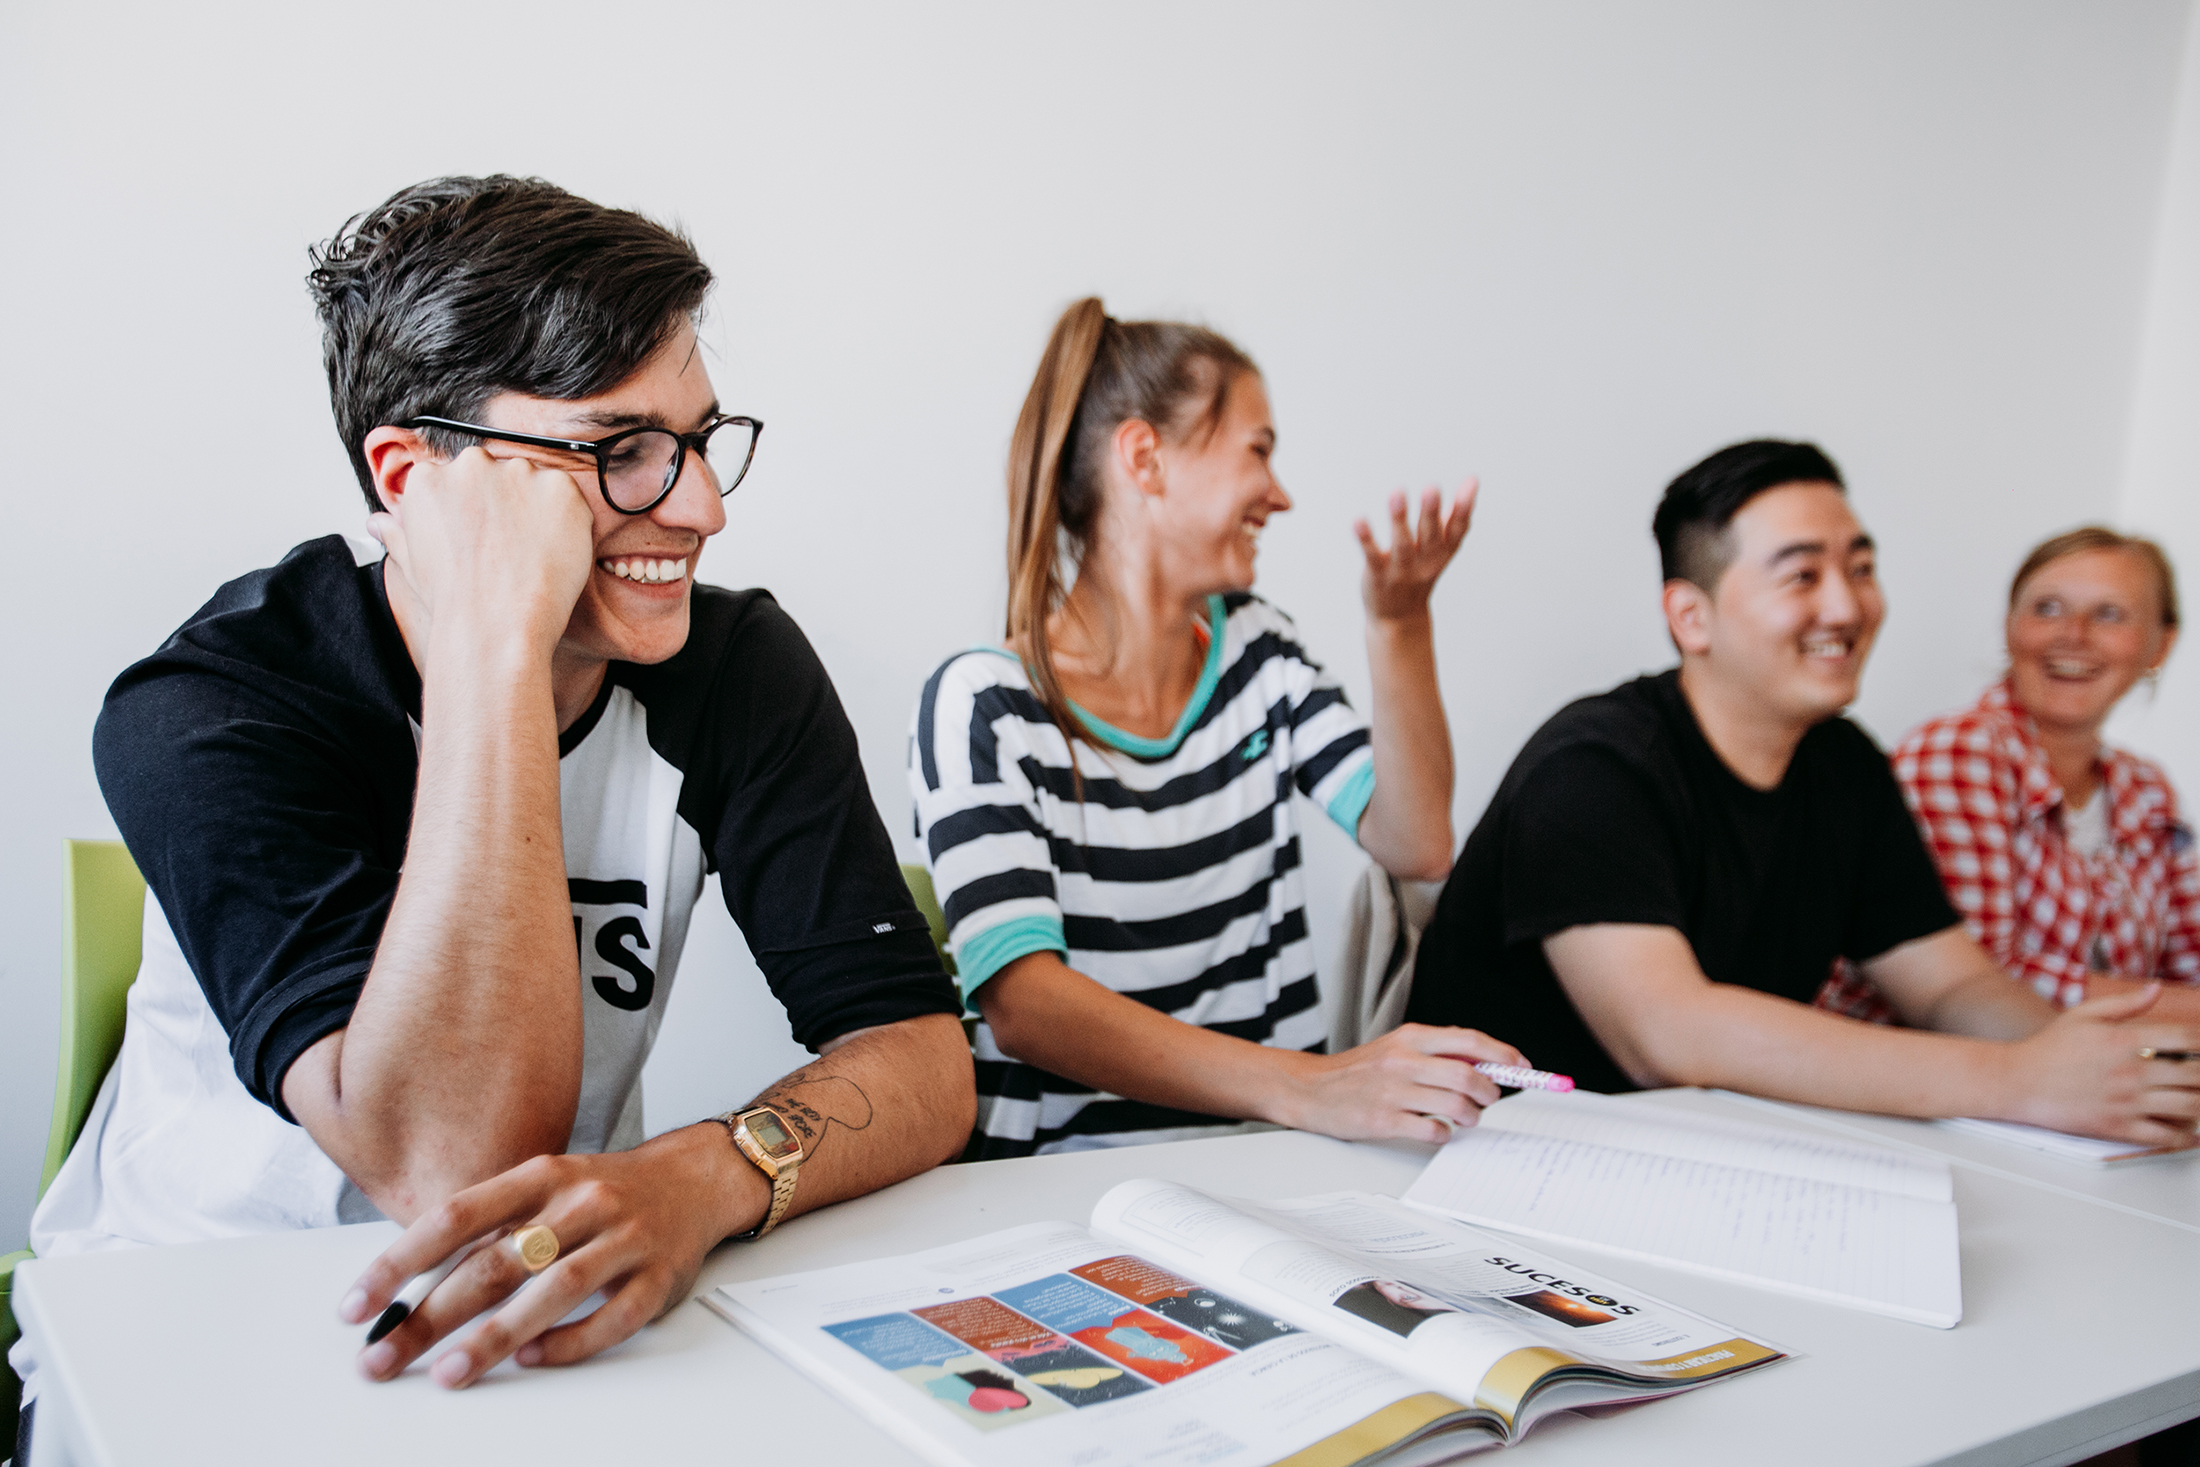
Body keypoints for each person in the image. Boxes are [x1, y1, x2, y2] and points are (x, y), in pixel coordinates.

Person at [9, 175, 972, 1436]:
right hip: (185, 1336)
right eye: (617, 453)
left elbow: (921, 1060)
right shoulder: (212, 706)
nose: (701, 508)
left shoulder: (731, 673)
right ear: (412, 479)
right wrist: (495, 648)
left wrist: (708, 1170)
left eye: (696, 440)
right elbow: (449, 1163)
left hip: (530, 1325)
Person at [1404, 440, 2200, 1144]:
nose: (1847, 605)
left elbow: (1951, 982)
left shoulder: (1843, 763)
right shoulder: (1592, 766)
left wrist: (2081, 1059)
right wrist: (2020, 1082)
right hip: (1493, 1154)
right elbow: (1670, 1031)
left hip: (1703, 1151)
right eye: (1803, 575)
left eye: (1860, 567)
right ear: (1692, 616)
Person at [909, 297, 1526, 1160]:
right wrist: (1317, 1085)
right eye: (1258, 450)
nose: (1279, 494)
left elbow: (1418, 842)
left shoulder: (1257, 651)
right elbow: (1025, 1005)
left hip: (1256, 1165)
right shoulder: (983, 704)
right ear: (1145, 457)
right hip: (1052, 1189)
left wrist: (1401, 625)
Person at [1821, 528, 2199, 1024]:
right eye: (2048, 609)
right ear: (2009, 627)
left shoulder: (2146, 790)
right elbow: (1980, 983)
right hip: (1918, 1077)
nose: (2074, 634)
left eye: (2109, 614)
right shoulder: (1958, 752)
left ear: (2160, 645)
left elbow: (2188, 967)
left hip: (2074, 1079)